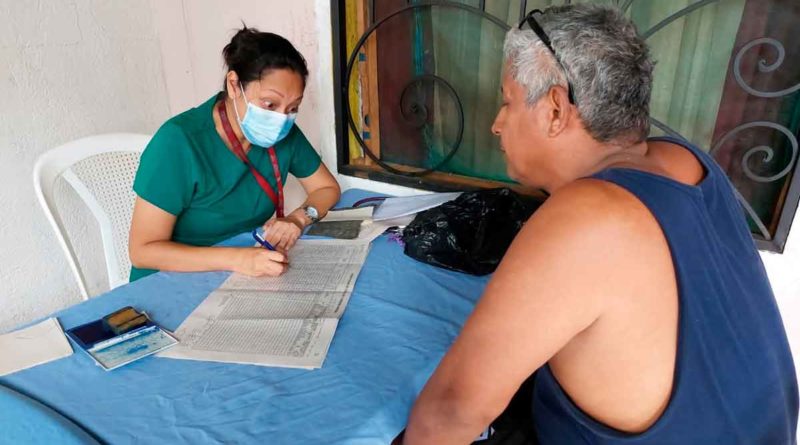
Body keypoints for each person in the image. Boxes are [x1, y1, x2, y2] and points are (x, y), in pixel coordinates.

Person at [401, 5, 798, 444]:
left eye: (507, 101)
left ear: (555, 109)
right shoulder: (684, 160)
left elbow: (452, 410)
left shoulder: (588, 218)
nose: (496, 125)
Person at [129, 27, 340, 281]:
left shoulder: (284, 134)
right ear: (233, 85)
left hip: (241, 271)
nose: (281, 118)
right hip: (170, 279)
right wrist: (238, 259)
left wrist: (299, 218)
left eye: (293, 107)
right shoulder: (179, 142)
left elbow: (327, 188)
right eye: (269, 104)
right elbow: (143, 251)